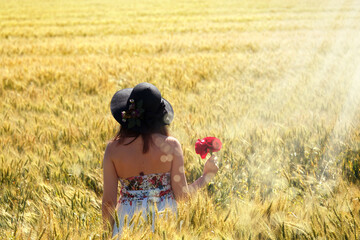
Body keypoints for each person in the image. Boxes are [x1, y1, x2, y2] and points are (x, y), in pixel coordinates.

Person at [102, 82, 219, 237]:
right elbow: (183, 197)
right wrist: (206, 176)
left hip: (127, 223)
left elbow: (109, 202)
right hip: (165, 221)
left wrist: (106, 233)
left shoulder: (113, 149)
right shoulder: (171, 146)